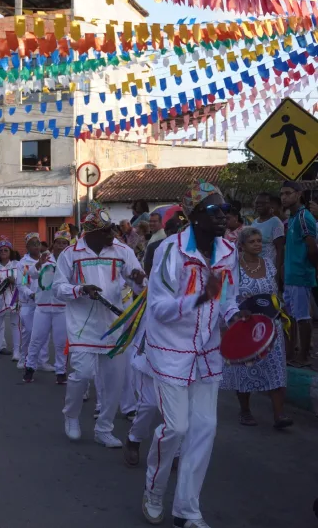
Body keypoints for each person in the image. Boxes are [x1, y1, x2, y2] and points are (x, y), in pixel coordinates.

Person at [140, 180, 244, 528]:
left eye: (226, 211)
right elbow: (158, 309)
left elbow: (228, 298)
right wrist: (200, 298)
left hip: (207, 352)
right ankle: (154, 490)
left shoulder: (229, 252)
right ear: (193, 215)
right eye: (214, 210)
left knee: (205, 429)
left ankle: (187, 509)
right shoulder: (170, 252)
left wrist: (235, 317)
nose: (222, 218)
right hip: (170, 351)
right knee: (176, 427)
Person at [53, 202, 146, 448]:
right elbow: (57, 288)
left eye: (112, 230)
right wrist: (80, 289)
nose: (111, 235)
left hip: (115, 324)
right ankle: (71, 416)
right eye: (106, 231)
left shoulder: (122, 251)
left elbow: (138, 283)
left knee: (114, 380)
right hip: (82, 325)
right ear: (90, 233)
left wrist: (139, 280)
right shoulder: (70, 254)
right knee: (81, 374)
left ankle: (104, 428)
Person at [124, 216, 182, 467]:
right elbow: (143, 289)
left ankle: (174, 452)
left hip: (181, 351)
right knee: (148, 404)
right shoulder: (154, 278)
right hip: (153, 349)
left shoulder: (193, 275)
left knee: (177, 408)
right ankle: (134, 439)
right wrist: (139, 281)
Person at [220, 227, 292, 428]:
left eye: (260, 240)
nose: (258, 244)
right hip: (246, 325)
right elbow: (228, 297)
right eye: (252, 241)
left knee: (276, 367)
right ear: (241, 246)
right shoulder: (234, 268)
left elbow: (274, 290)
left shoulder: (269, 264)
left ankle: (279, 415)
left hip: (271, 324)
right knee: (244, 369)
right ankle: (245, 410)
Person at [23, 227, 72, 382]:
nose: (60, 246)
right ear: (53, 244)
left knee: (60, 342)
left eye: (64, 243)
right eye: (58, 243)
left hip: (62, 308)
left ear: (68, 245)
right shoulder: (46, 259)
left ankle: (60, 371)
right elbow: (30, 274)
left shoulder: (71, 261)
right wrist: (38, 264)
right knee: (36, 339)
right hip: (42, 307)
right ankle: (30, 367)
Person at [280, 180, 317, 366]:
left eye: (288, 193)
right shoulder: (293, 218)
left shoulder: (304, 217)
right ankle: (292, 352)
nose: (284, 197)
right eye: (282, 194)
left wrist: (310, 269)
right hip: (291, 275)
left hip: (300, 275)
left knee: (303, 317)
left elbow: (312, 247)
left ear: (298, 194)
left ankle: (303, 356)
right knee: (291, 316)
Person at [17, 232, 42, 368]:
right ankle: (23, 358)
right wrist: (31, 294)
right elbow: (21, 284)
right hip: (28, 303)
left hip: (44, 303)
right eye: (33, 244)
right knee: (28, 332)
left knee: (43, 333)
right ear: (27, 246)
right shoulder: (24, 264)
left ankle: (42, 361)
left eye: (38, 243)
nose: (36, 247)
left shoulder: (45, 260)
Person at [250, 193, 285, 280]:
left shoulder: (276, 222)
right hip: (254, 268)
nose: (259, 205)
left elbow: (280, 249)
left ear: (271, 205)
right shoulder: (254, 223)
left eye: (263, 203)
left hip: (270, 270)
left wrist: (277, 272)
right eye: (257, 203)